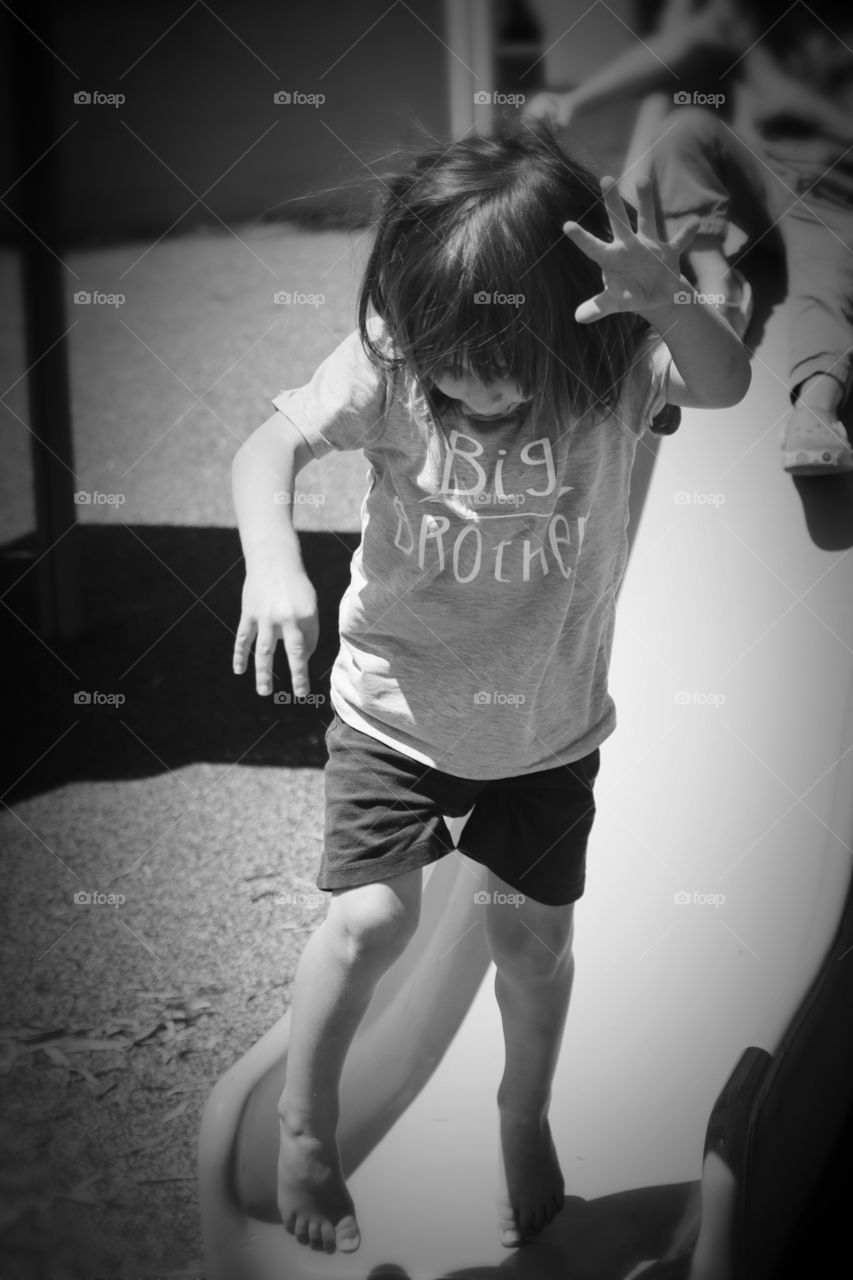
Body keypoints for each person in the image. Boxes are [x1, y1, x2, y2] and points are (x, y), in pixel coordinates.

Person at [230, 124, 750, 1256]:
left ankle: (522, 1107)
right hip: (393, 710)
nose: (464, 383)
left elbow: (725, 382)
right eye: (442, 358)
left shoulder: (614, 369)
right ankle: (304, 1123)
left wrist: (669, 301)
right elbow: (264, 450)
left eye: (493, 362)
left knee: (533, 944)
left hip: (547, 727)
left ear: (566, 320)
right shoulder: (394, 359)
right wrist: (274, 557)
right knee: (368, 918)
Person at [525, 0, 853, 475]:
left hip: (834, 198)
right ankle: (720, 284)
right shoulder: (760, 16)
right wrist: (575, 101)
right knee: (683, 130)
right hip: (766, 172)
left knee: (823, 282)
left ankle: (815, 409)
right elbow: (676, 47)